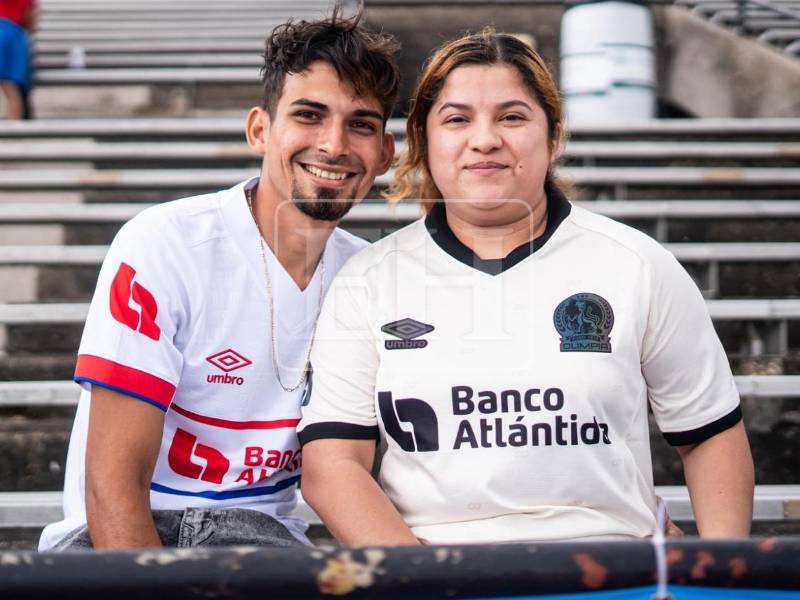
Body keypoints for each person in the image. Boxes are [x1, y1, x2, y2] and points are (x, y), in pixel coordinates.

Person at [297, 29, 754, 545]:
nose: (485, 138)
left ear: (554, 135)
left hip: (612, 569)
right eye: (457, 119)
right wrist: (423, 580)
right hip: (437, 573)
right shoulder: (368, 279)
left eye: (512, 117)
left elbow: (711, 434)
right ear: (424, 142)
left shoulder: (637, 264)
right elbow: (332, 466)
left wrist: (722, 567)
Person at [38, 12, 399, 550]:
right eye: (309, 114)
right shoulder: (166, 242)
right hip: (120, 537)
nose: (334, 144)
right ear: (260, 129)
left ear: (385, 154)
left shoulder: (372, 274)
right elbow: (111, 486)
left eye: (361, 124)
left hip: (263, 541)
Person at [0, 0, 36, 119]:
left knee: (9, 86)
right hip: (12, 32)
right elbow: (31, 24)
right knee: (11, 87)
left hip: (7, 31)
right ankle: (14, 129)